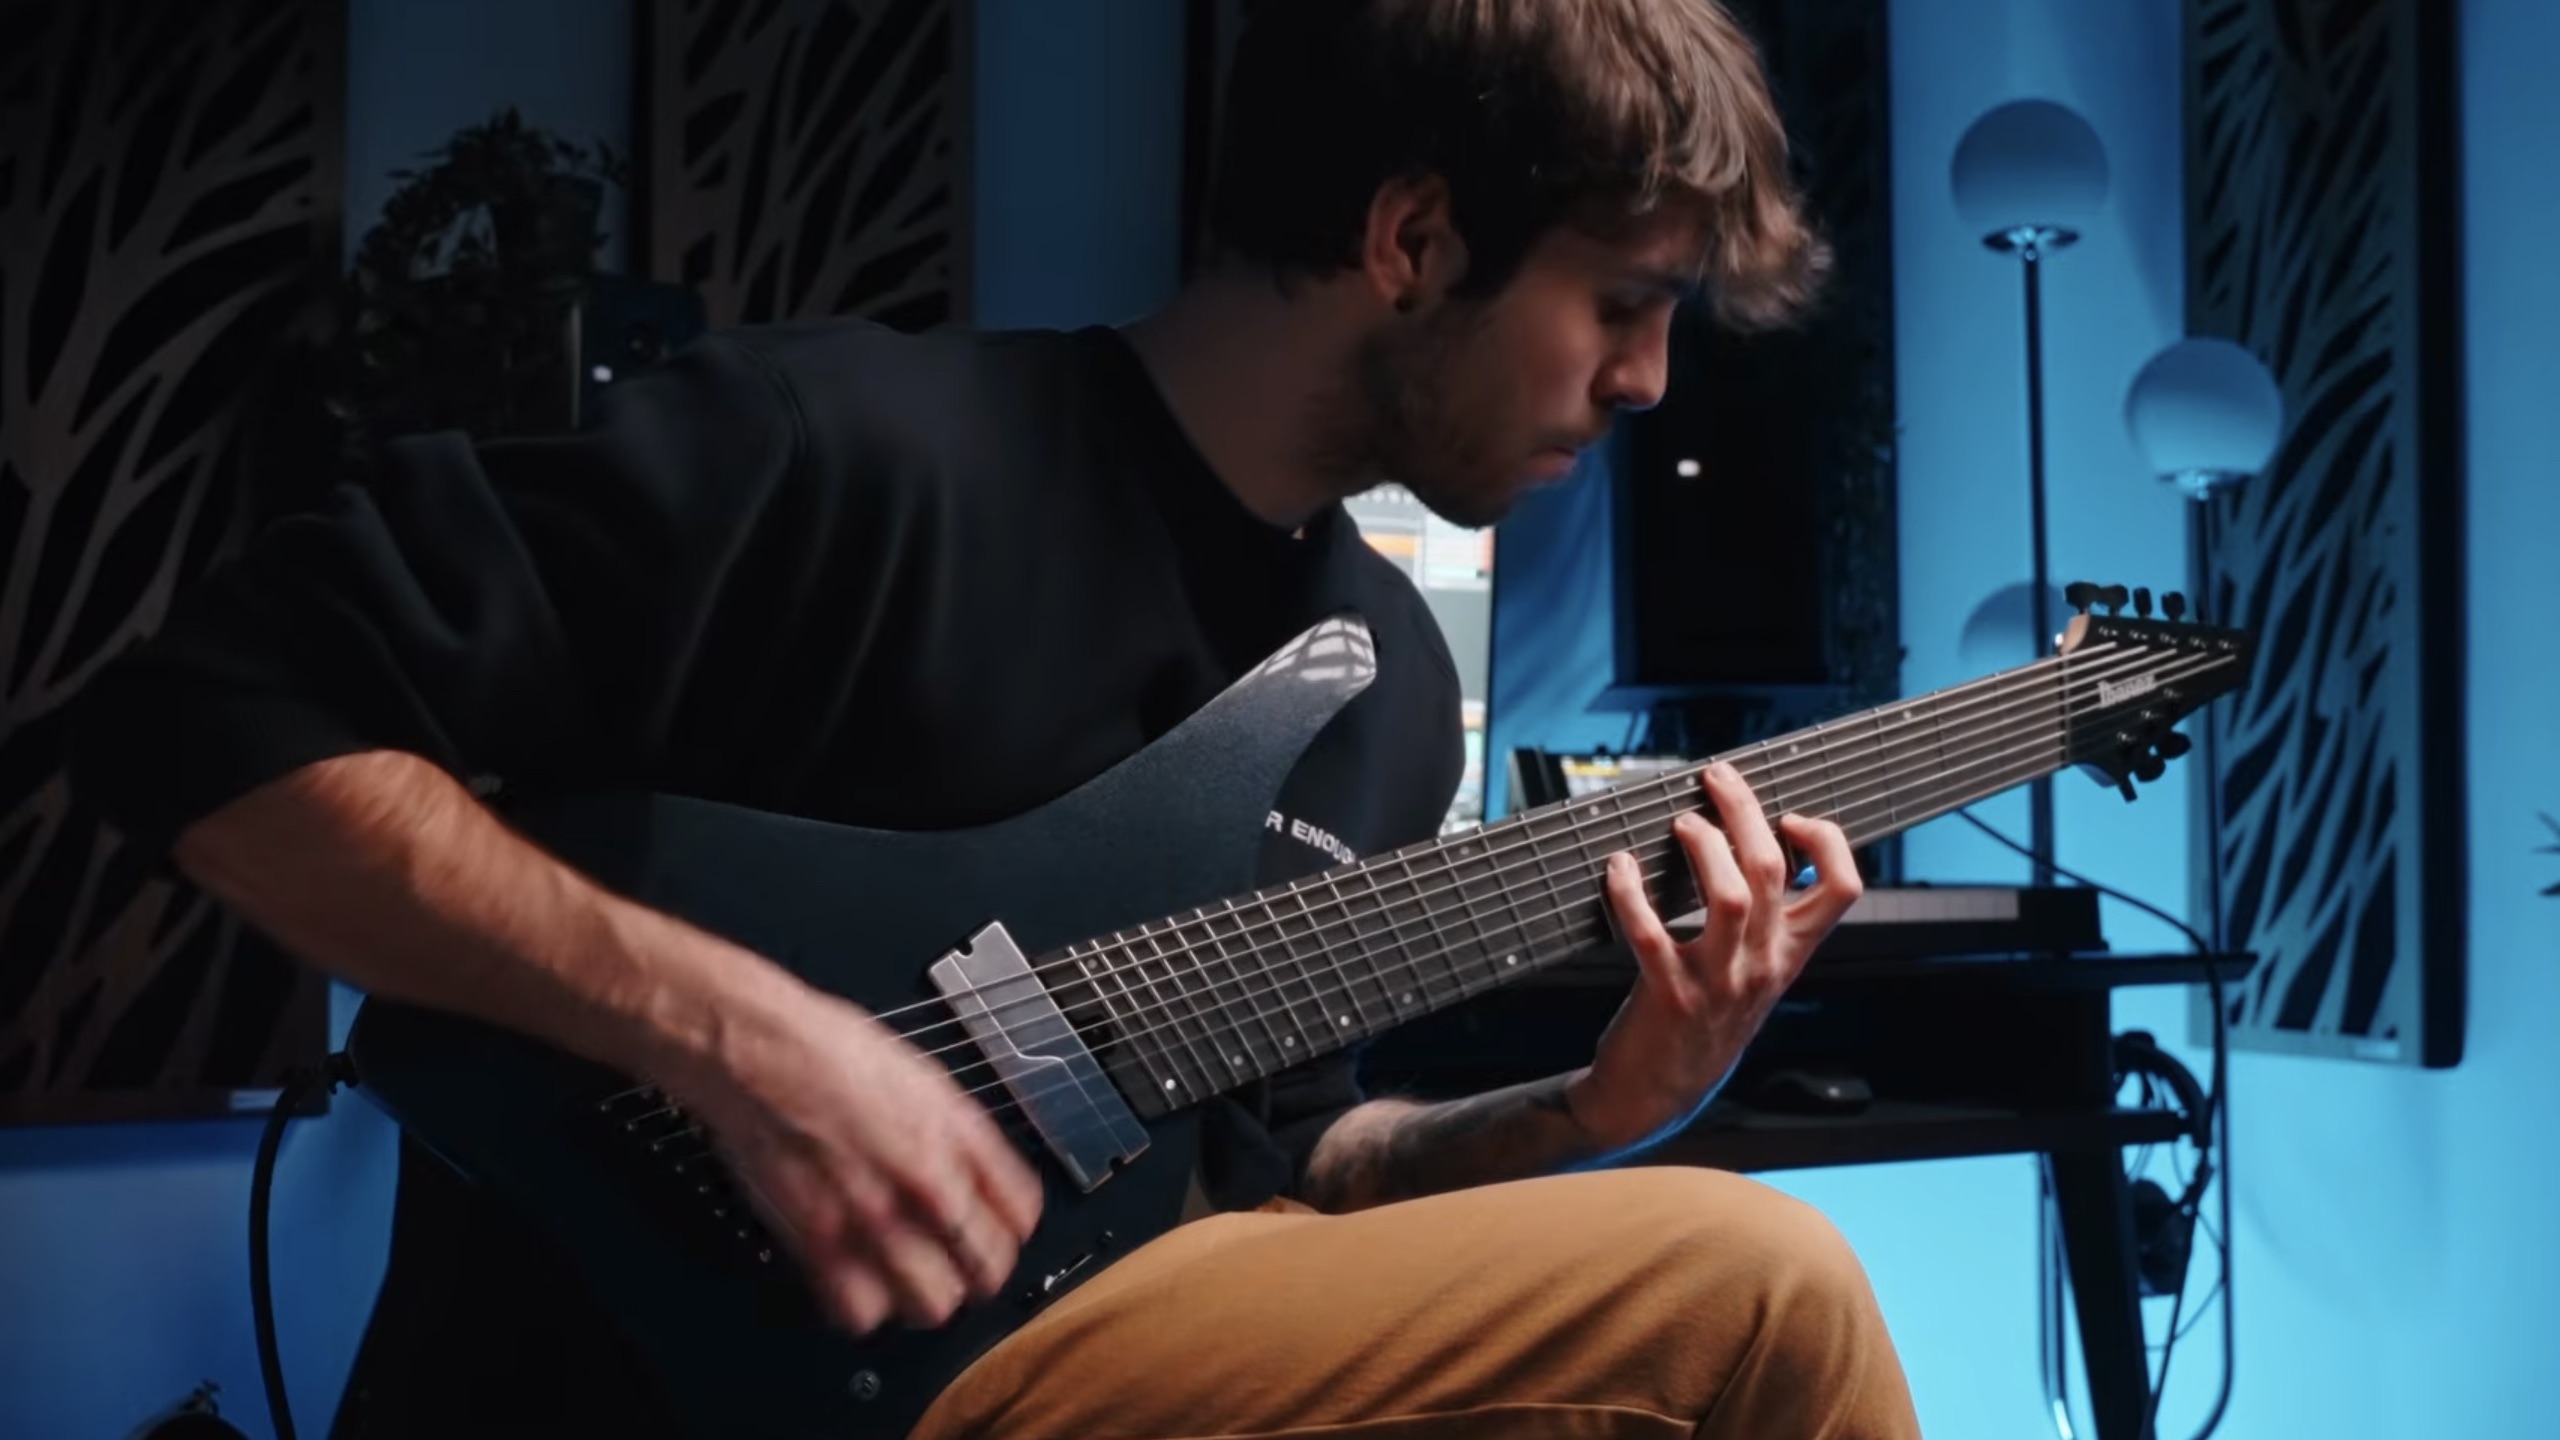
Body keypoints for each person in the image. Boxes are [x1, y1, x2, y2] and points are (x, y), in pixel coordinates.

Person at [67, 1, 1923, 1436]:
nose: (1647, 382)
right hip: (668, 1383)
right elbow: (213, 716)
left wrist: (1591, 1106)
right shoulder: (843, 455)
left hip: (1104, 1335)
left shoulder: (1389, 687)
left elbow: (1288, 1176)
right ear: (1415, 237)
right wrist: (746, 1040)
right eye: (1626, 299)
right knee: (1760, 1288)